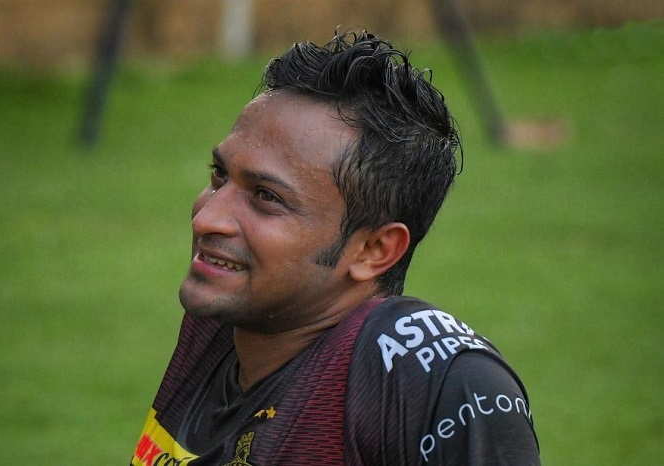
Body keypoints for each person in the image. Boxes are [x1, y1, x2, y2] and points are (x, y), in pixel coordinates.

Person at [130, 30, 540, 465]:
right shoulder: (222, 321)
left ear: (373, 250)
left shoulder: (435, 379)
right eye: (219, 175)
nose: (206, 218)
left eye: (266, 197)